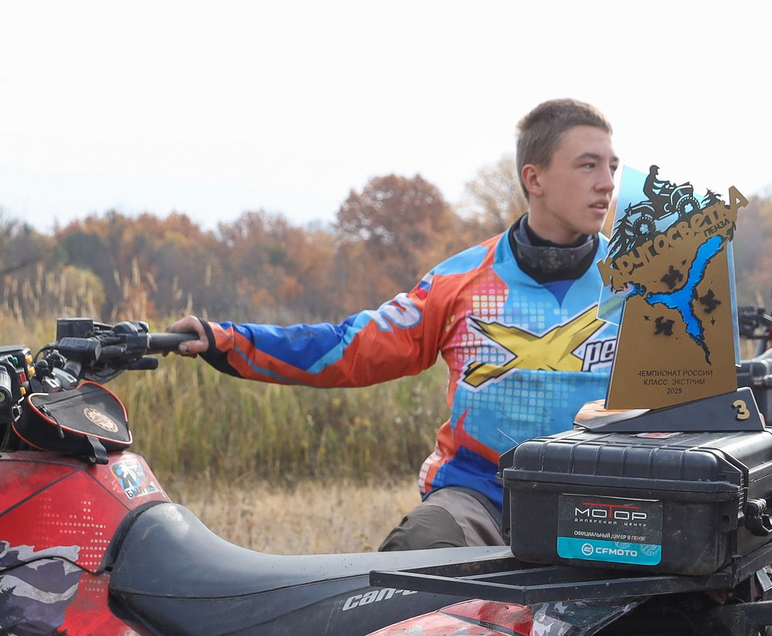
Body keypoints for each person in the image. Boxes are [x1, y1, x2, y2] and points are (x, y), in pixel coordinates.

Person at [169, 99, 623, 550]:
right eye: (588, 166)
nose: (606, 184)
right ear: (534, 178)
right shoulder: (459, 281)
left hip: (612, 505)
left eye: (612, 167)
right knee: (412, 554)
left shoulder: (644, 287)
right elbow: (350, 348)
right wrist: (226, 340)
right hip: (483, 498)